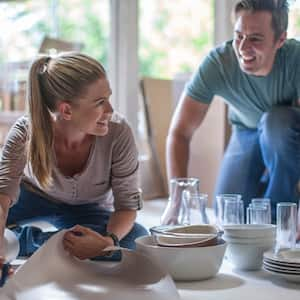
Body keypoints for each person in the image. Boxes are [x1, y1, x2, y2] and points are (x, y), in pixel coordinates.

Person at [0, 52, 148, 274]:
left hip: (87, 208)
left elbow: (126, 207)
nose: (109, 110)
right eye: (100, 102)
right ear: (66, 110)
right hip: (31, 197)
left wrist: (107, 242)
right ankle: (39, 242)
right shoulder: (24, 133)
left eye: (108, 98)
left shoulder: (119, 133)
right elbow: (2, 198)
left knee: (137, 240)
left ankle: (24, 242)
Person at [166, 0, 300, 224]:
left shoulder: (296, 60)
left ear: (280, 40)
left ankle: (282, 216)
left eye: (256, 38)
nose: (243, 47)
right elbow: (179, 133)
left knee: (275, 124)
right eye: (239, 36)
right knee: (228, 213)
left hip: (288, 134)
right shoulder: (218, 63)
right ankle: (266, 188)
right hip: (245, 131)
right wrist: (176, 201)